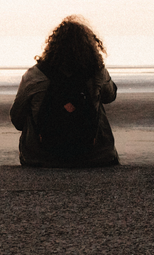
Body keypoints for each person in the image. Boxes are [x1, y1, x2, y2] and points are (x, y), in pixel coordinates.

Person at [10, 15, 119, 167]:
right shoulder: (96, 73)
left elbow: (17, 119)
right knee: (97, 103)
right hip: (95, 156)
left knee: (31, 107)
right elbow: (110, 96)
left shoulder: (34, 75)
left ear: (52, 45)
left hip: (41, 157)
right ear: (90, 47)